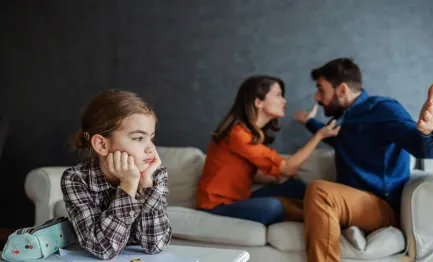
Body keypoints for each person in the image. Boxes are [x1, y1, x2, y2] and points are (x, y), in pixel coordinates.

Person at [293, 58, 433, 262]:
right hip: (349, 203)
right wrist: (308, 122)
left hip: (380, 206)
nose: (317, 97)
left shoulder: (381, 109)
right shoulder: (345, 120)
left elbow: (418, 144)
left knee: (319, 191)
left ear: (342, 89)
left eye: (321, 90)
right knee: (282, 201)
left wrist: (428, 132)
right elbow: (336, 139)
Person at [196, 75, 340, 225]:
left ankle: (318, 212)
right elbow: (286, 168)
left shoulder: (251, 135)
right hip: (216, 207)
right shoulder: (238, 135)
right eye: (278, 95)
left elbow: (253, 173)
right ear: (258, 102)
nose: (284, 101)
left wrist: (278, 175)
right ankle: (320, 216)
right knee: (272, 207)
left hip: (240, 201)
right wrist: (319, 136)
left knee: (295, 187)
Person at [61, 90, 172, 260]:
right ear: (101, 145)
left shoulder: (154, 175)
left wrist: (147, 183)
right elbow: (102, 249)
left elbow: (156, 245)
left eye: (152, 138)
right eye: (138, 138)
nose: (151, 148)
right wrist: (128, 185)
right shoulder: (77, 179)